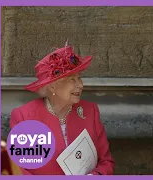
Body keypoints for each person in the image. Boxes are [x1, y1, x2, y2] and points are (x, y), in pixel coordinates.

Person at [9, 41, 115, 175]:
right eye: (72, 80)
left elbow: (106, 162)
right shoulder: (24, 117)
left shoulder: (90, 112)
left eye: (79, 78)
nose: (80, 85)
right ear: (52, 86)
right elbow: (17, 169)